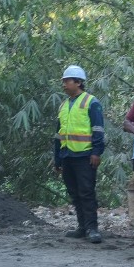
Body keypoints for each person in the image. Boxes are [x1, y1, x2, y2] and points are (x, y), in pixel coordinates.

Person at [54, 65, 105, 244]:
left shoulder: (91, 102)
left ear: (78, 82)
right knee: (74, 193)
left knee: (86, 192)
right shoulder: (63, 105)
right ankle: (82, 227)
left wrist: (96, 152)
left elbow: (98, 130)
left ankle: (92, 228)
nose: (64, 84)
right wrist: (57, 159)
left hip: (84, 155)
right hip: (67, 155)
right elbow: (58, 134)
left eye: (67, 81)